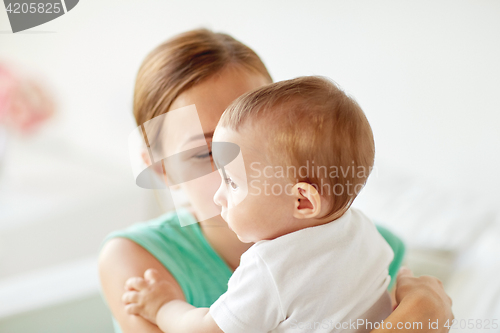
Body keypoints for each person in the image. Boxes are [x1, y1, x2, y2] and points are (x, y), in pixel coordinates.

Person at [99, 28, 453, 333]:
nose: (237, 170)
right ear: (161, 168)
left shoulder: (373, 244)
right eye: (208, 153)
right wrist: (420, 316)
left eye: (260, 147)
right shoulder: (135, 262)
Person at [121, 76, 399, 332]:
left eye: (232, 183)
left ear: (302, 200)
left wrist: (162, 307)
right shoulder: (361, 229)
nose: (220, 196)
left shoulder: (270, 267)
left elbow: (205, 330)